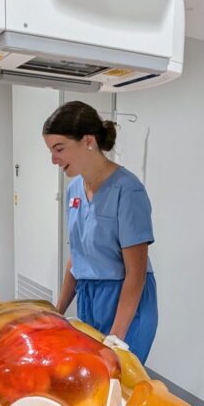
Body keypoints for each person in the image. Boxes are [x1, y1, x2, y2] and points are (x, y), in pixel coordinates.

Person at [42, 101, 158, 363]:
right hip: (88, 297)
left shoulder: (127, 190)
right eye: (51, 151)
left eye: (59, 149)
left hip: (125, 299)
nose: (53, 159)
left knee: (119, 382)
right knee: (92, 379)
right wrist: (58, 311)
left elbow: (136, 274)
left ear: (88, 141)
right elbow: (78, 255)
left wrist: (116, 336)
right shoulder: (74, 190)